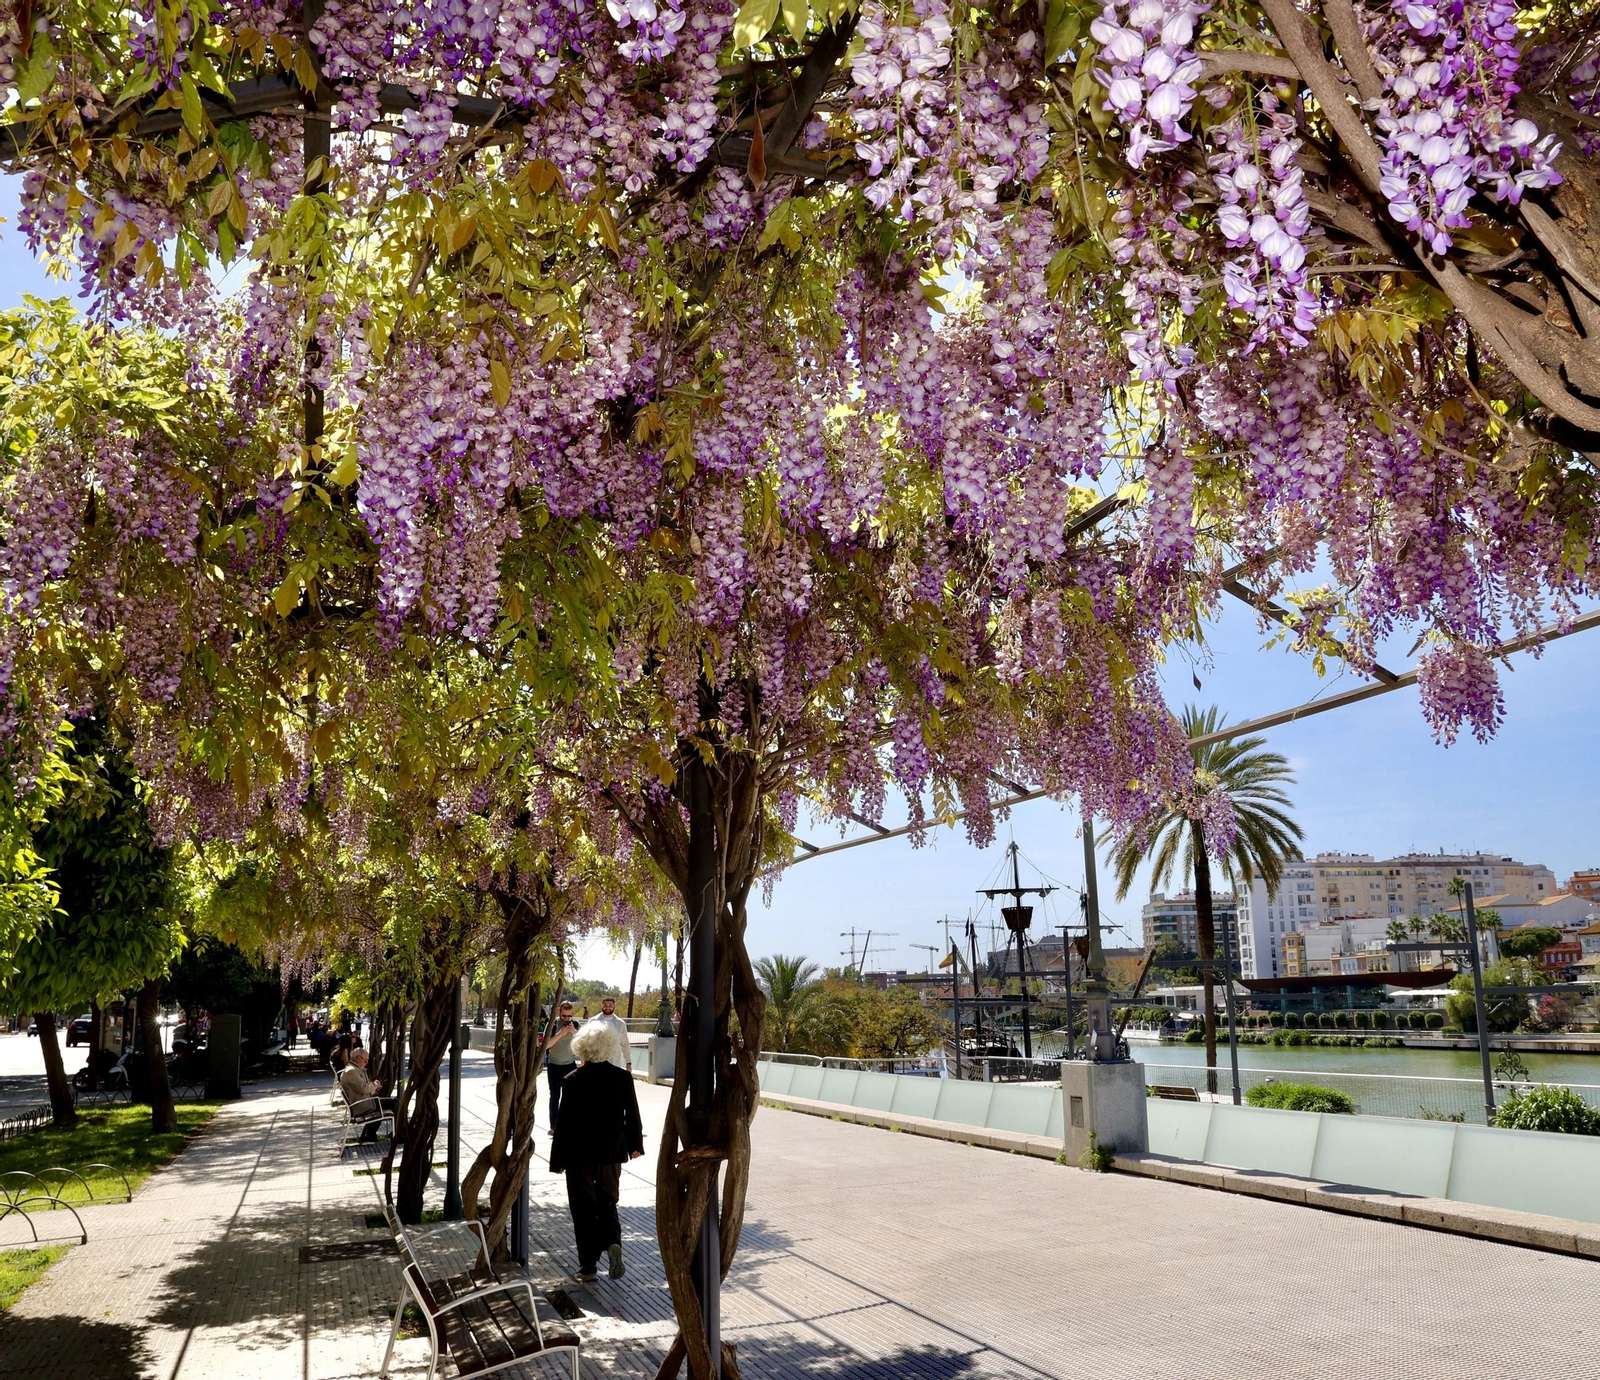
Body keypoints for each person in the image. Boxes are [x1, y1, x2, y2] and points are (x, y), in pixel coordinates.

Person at [550, 1022, 644, 1282]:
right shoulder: (622, 1078)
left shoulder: (572, 1081)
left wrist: (556, 1161)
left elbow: (564, 1125)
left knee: (582, 1209)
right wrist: (635, 1145)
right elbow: (632, 1115)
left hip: (578, 1156)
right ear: (609, 1047)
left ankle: (588, 1266)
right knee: (608, 1201)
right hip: (612, 1153)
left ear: (582, 1048)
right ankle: (613, 1242)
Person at [338, 1047, 393, 1141]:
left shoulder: (356, 1069)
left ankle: (370, 1135)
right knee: (394, 1103)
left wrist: (374, 1085)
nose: (367, 1062)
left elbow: (364, 1086)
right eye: (366, 1060)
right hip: (362, 1105)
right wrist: (375, 1085)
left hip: (366, 1102)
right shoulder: (351, 1071)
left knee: (394, 1102)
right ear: (359, 1059)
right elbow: (364, 1088)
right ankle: (399, 1134)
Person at [545, 1001, 579, 1133]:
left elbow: (582, 1043)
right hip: (554, 1065)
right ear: (559, 1013)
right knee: (554, 1096)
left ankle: (568, 1124)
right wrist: (560, 1033)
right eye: (564, 1016)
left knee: (570, 1097)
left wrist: (574, 1032)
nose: (566, 1019)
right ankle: (554, 1125)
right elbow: (546, 1045)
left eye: (569, 1016)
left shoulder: (575, 1025)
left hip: (570, 1065)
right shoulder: (553, 1024)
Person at [590, 996, 631, 1070]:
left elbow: (625, 1044)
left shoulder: (621, 1024)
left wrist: (628, 1063)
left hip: (614, 1063)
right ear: (602, 1005)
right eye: (605, 1005)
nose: (607, 1007)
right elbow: (587, 1043)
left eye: (610, 1005)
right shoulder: (593, 1021)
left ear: (614, 1006)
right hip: (597, 1062)